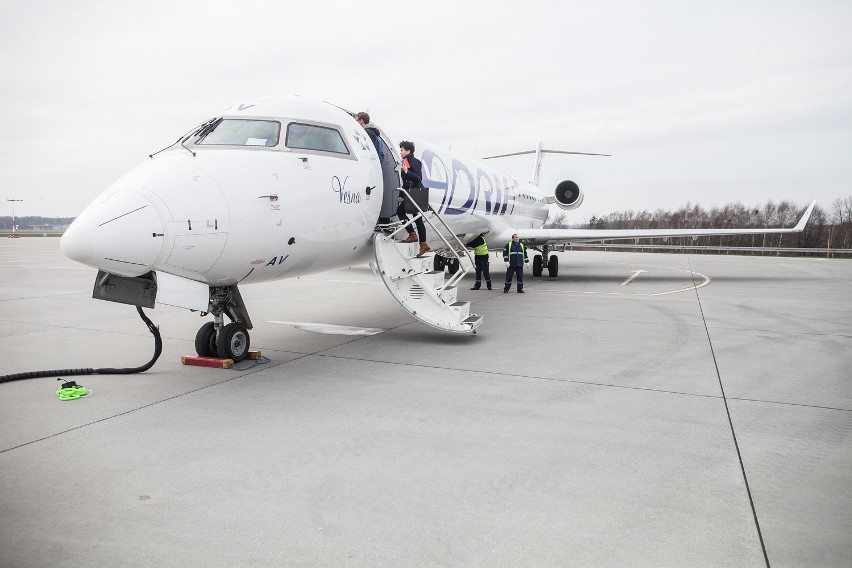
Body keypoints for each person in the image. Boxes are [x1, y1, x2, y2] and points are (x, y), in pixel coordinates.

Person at [399, 140, 429, 256]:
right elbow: (406, 182)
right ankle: (414, 236)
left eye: (402, 150)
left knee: (417, 218)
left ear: (408, 151)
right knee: (404, 213)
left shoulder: (414, 162)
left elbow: (418, 178)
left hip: (415, 193)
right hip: (409, 193)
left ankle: (421, 241)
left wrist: (406, 171)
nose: (400, 152)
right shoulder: (405, 161)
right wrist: (401, 196)